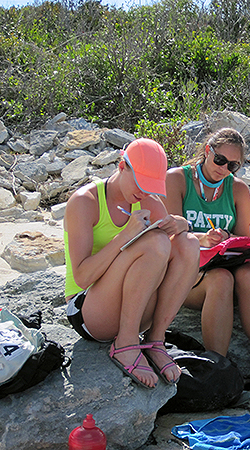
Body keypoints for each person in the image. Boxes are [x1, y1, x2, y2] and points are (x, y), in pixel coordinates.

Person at [164, 127, 250, 408]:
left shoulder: (237, 189)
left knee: (246, 273)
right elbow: (170, 234)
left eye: (233, 165)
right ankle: (215, 375)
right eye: (220, 160)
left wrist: (229, 241)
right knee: (220, 279)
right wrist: (202, 238)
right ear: (208, 150)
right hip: (185, 271)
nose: (225, 169)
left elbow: (243, 236)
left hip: (222, 261)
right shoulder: (177, 180)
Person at [64, 138, 200, 389]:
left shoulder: (146, 199)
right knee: (155, 243)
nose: (144, 191)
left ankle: (155, 340)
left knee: (188, 243)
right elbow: (82, 277)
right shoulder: (85, 201)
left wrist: (182, 224)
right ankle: (125, 344)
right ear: (121, 166)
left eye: (151, 186)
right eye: (140, 182)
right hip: (89, 312)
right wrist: (124, 236)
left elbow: (180, 245)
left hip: (135, 309)